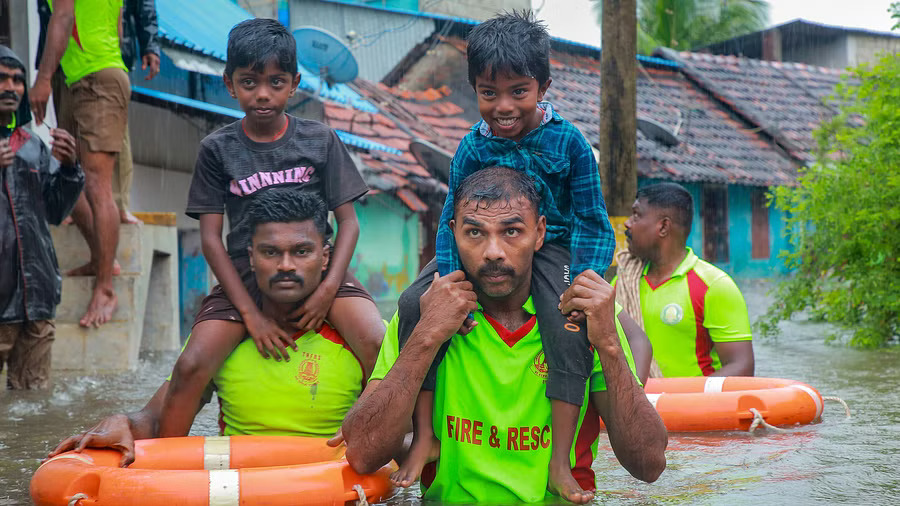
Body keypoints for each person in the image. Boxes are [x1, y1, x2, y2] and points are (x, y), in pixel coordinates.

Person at [391, 13, 635, 501]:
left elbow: (592, 218)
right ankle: (425, 437)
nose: (503, 107)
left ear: (543, 86)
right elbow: (447, 220)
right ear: (474, 89)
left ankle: (560, 462)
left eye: (518, 92)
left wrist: (582, 279)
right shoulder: (470, 147)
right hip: (478, 248)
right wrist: (452, 276)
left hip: (553, 250)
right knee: (417, 304)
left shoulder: (569, 143)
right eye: (488, 93)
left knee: (567, 330)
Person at [341, 167, 667, 504]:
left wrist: (610, 346)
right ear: (453, 233)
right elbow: (364, 455)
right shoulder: (426, 312)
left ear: (540, 232)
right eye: (475, 233)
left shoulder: (584, 317)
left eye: (511, 231)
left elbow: (649, 466)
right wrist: (425, 337)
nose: (493, 251)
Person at [160, 19, 384, 438]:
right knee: (191, 365)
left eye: (275, 82)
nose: (262, 94)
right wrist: (250, 315)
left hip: (319, 273)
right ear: (229, 84)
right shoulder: (217, 149)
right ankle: (162, 466)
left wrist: (328, 291)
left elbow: (349, 223)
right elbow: (211, 238)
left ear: (294, 83)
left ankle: (388, 442)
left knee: (378, 343)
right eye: (249, 82)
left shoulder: (320, 140)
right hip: (245, 278)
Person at [47, 190, 365, 464]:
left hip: (330, 483)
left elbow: (401, 430)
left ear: (325, 257)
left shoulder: (358, 337)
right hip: (237, 487)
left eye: (301, 251)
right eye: (270, 252)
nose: (285, 265)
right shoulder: (221, 338)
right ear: (251, 258)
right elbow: (155, 421)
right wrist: (123, 422)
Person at [31, 0, 131, 328]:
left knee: (96, 185)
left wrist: (43, 78)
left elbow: (62, 16)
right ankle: (102, 260)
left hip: (96, 78)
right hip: (81, 77)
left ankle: (105, 290)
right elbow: (117, 26)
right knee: (71, 177)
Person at [0, 45, 82, 389]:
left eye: (18, 80)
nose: (11, 87)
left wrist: (68, 168)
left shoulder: (33, 146)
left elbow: (55, 211)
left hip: (37, 293)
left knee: (33, 402)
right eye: (2, 79)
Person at [617, 182, 754, 378]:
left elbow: (741, 367)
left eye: (637, 215)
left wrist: (681, 400)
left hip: (689, 405)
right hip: (635, 402)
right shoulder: (623, 284)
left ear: (663, 226)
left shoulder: (713, 286)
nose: (627, 223)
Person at [114, 0, 162, 224]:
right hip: (67, 57)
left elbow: (144, 5)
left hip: (111, 58)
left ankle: (120, 205)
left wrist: (149, 45)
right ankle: (74, 207)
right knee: (70, 135)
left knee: (117, 137)